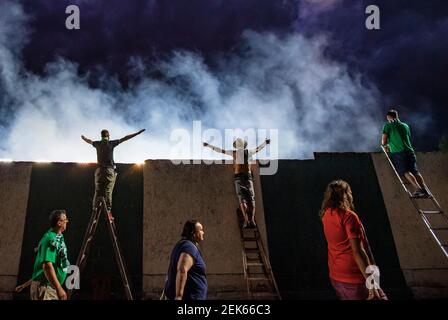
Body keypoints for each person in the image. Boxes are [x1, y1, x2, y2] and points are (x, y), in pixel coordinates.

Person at [320, 180, 387, 300]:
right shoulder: (349, 216)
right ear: (346, 194)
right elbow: (358, 251)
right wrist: (371, 283)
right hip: (355, 277)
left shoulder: (326, 215)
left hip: (336, 276)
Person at [203, 138, 270, 228]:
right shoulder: (248, 152)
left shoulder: (234, 153)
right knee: (251, 199)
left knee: (242, 199)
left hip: (239, 177)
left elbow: (220, 150)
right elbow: (259, 148)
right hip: (247, 176)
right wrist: (265, 143)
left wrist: (208, 145)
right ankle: (252, 220)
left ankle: (247, 220)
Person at [81, 128, 145, 211]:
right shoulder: (111, 143)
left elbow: (89, 141)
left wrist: (84, 138)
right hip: (109, 170)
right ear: (108, 136)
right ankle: (108, 207)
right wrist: (137, 133)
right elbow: (125, 138)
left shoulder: (97, 144)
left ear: (101, 136)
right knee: (108, 190)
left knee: (98, 190)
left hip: (99, 171)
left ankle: (95, 207)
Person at [381, 109, 429, 197]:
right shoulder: (405, 125)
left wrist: (385, 145)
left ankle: (418, 189)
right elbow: (406, 136)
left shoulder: (388, 126)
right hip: (410, 151)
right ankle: (424, 189)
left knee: (405, 171)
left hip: (399, 152)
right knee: (415, 171)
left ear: (388, 117)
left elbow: (383, 140)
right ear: (397, 116)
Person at [30, 210, 70, 300]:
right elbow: (47, 266)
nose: (67, 221)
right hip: (46, 288)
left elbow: (39, 268)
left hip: (49, 287)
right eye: (65, 220)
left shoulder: (58, 236)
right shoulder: (50, 238)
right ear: (59, 223)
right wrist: (59, 288)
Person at [163, 220, 207, 300]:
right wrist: (178, 297)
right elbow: (182, 270)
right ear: (193, 233)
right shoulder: (189, 247)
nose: (203, 232)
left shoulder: (184, 245)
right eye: (201, 230)